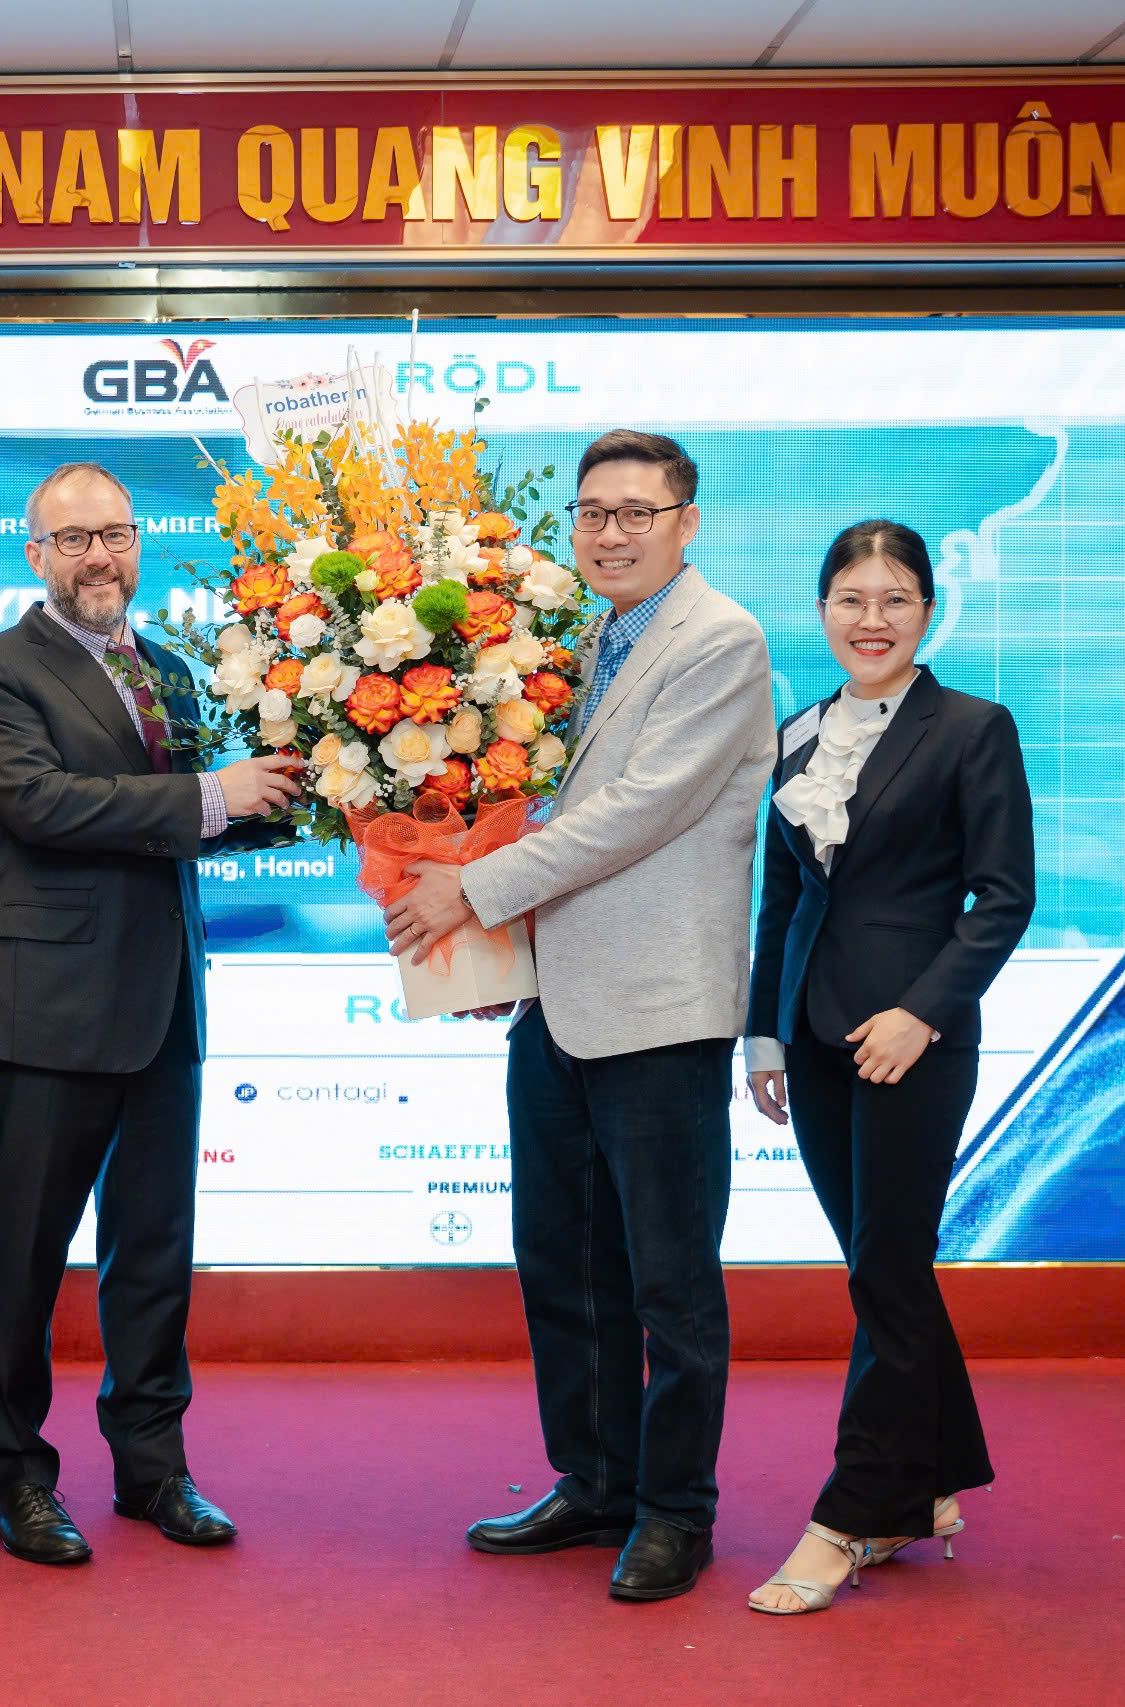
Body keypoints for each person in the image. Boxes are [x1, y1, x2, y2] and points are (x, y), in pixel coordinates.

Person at [385, 429, 774, 1603]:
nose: (610, 533)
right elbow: (545, 808)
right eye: (593, 512)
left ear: (685, 522)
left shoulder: (720, 639)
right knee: (563, 1264)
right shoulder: (585, 640)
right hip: (555, 1005)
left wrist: (472, 895)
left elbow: (640, 812)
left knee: (668, 1281)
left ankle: (675, 1510)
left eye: (636, 512)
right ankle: (595, 1480)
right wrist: (502, 954)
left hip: (659, 1011)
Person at [0, 461, 305, 1566]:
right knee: (19, 1264)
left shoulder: (172, 673)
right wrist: (214, 794)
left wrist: (321, 784)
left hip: (163, 1008)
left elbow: (191, 824)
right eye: (73, 539)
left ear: (137, 543)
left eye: (114, 534)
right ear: (35, 555)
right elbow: (40, 805)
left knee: (153, 1258)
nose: (97, 556)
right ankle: (16, 1478)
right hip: (44, 1013)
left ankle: (154, 1470)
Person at [739, 519, 1034, 1614]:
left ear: (927, 612)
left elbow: (1003, 898)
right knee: (882, 1273)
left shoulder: (973, 728)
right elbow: (782, 898)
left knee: (886, 1270)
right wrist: (763, 1031)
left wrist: (922, 1013)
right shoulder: (798, 733)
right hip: (812, 1035)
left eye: (895, 598)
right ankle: (927, 1480)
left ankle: (852, 1513)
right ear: (822, 610)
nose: (872, 619)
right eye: (851, 599)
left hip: (914, 1042)